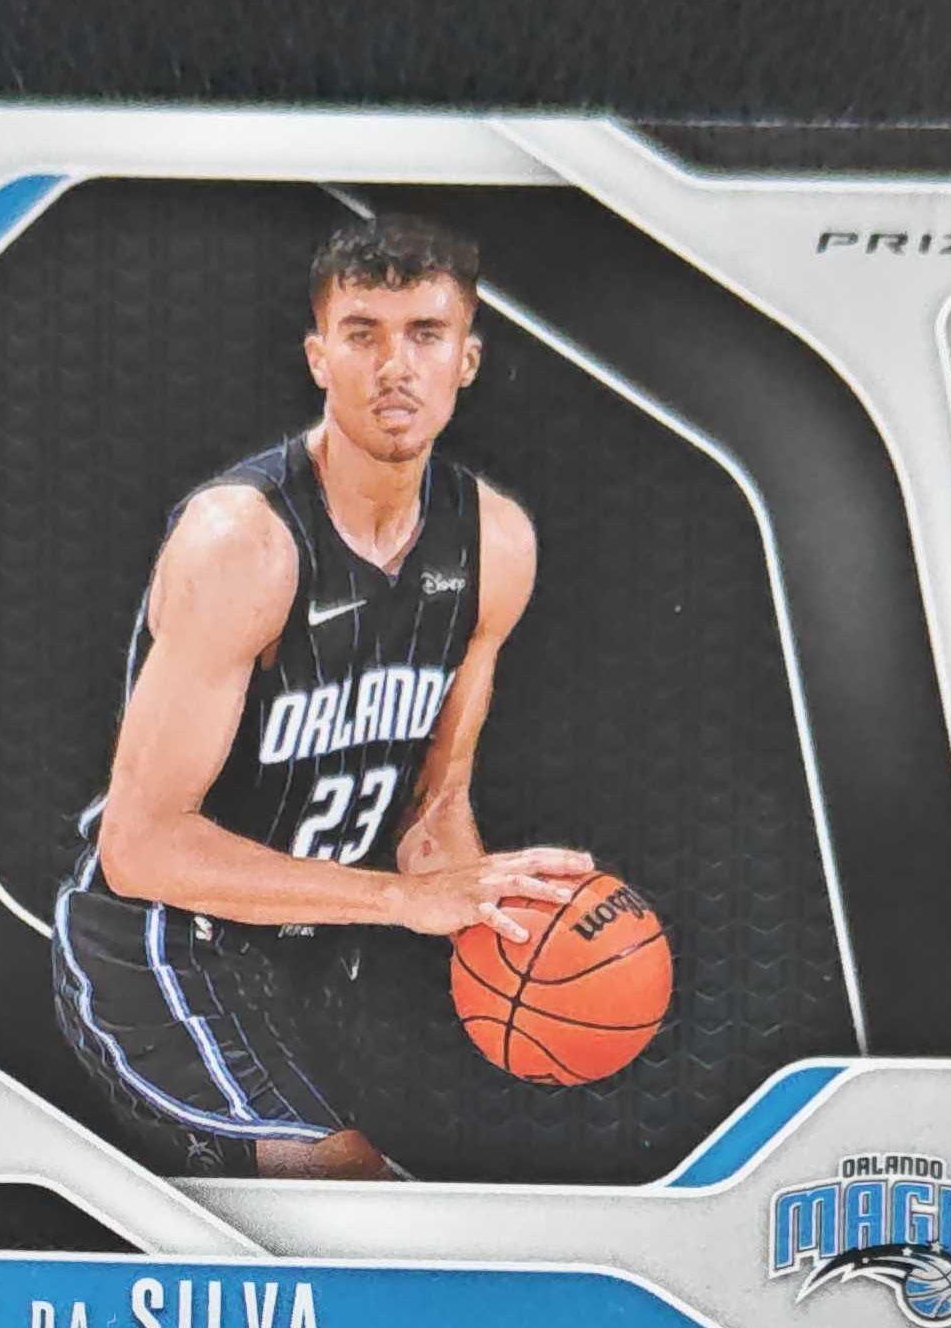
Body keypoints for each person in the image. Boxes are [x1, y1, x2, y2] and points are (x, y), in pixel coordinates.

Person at [51, 214, 591, 1179]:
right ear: (318, 358)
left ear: (466, 361)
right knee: (345, 1188)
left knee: (435, 1206)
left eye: (426, 335)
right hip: (162, 945)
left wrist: (517, 936)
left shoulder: (495, 544)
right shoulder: (244, 542)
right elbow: (140, 848)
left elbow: (434, 810)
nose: (395, 367)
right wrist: (401, 900)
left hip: (317, 953)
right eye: (363, 334)